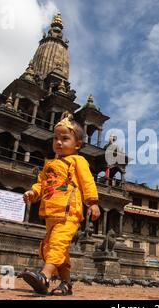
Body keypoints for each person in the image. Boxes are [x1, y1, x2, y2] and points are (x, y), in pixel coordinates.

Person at [21, 112, 100, 296]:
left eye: (65, 138)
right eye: (56, 138)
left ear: (77, 144)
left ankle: (44, 276)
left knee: (57, 243)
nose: (58, 142)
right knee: (52, 248)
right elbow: (41, 184)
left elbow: (87, 181)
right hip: (50, 213)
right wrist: (33, 193)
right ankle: (66, 284)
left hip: (69, 212)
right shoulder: (49, 165)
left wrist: (93, 202)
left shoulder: (78, 160)